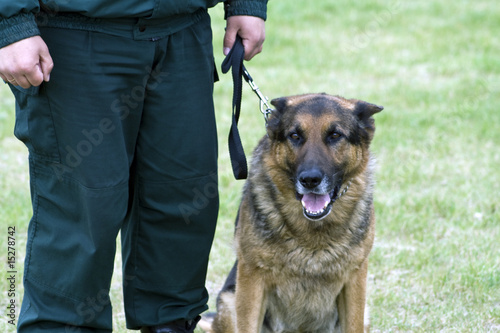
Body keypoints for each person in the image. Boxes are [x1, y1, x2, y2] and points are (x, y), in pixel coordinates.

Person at [0, 0, 267, 332]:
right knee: (84, 214)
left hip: (182, 28)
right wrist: (10, 23)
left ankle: (170, 324)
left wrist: (247, 3)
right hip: (75, 30)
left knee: (182, 199)